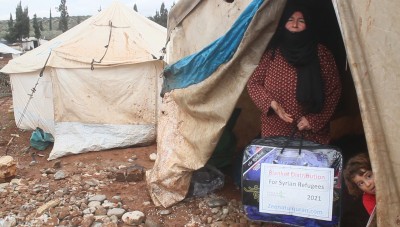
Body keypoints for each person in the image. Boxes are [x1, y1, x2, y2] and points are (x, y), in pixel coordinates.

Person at [247, 2, 341, 144]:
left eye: (301, 21)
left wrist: (314, 120)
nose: (295, 25)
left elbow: (334, 89)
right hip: (275, 132)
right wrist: (272, 104)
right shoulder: (272, 53)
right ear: (283, 24)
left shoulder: (321, 53)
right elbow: (253, 83)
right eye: (290, 20)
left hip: (311, 134)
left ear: (308, 25)